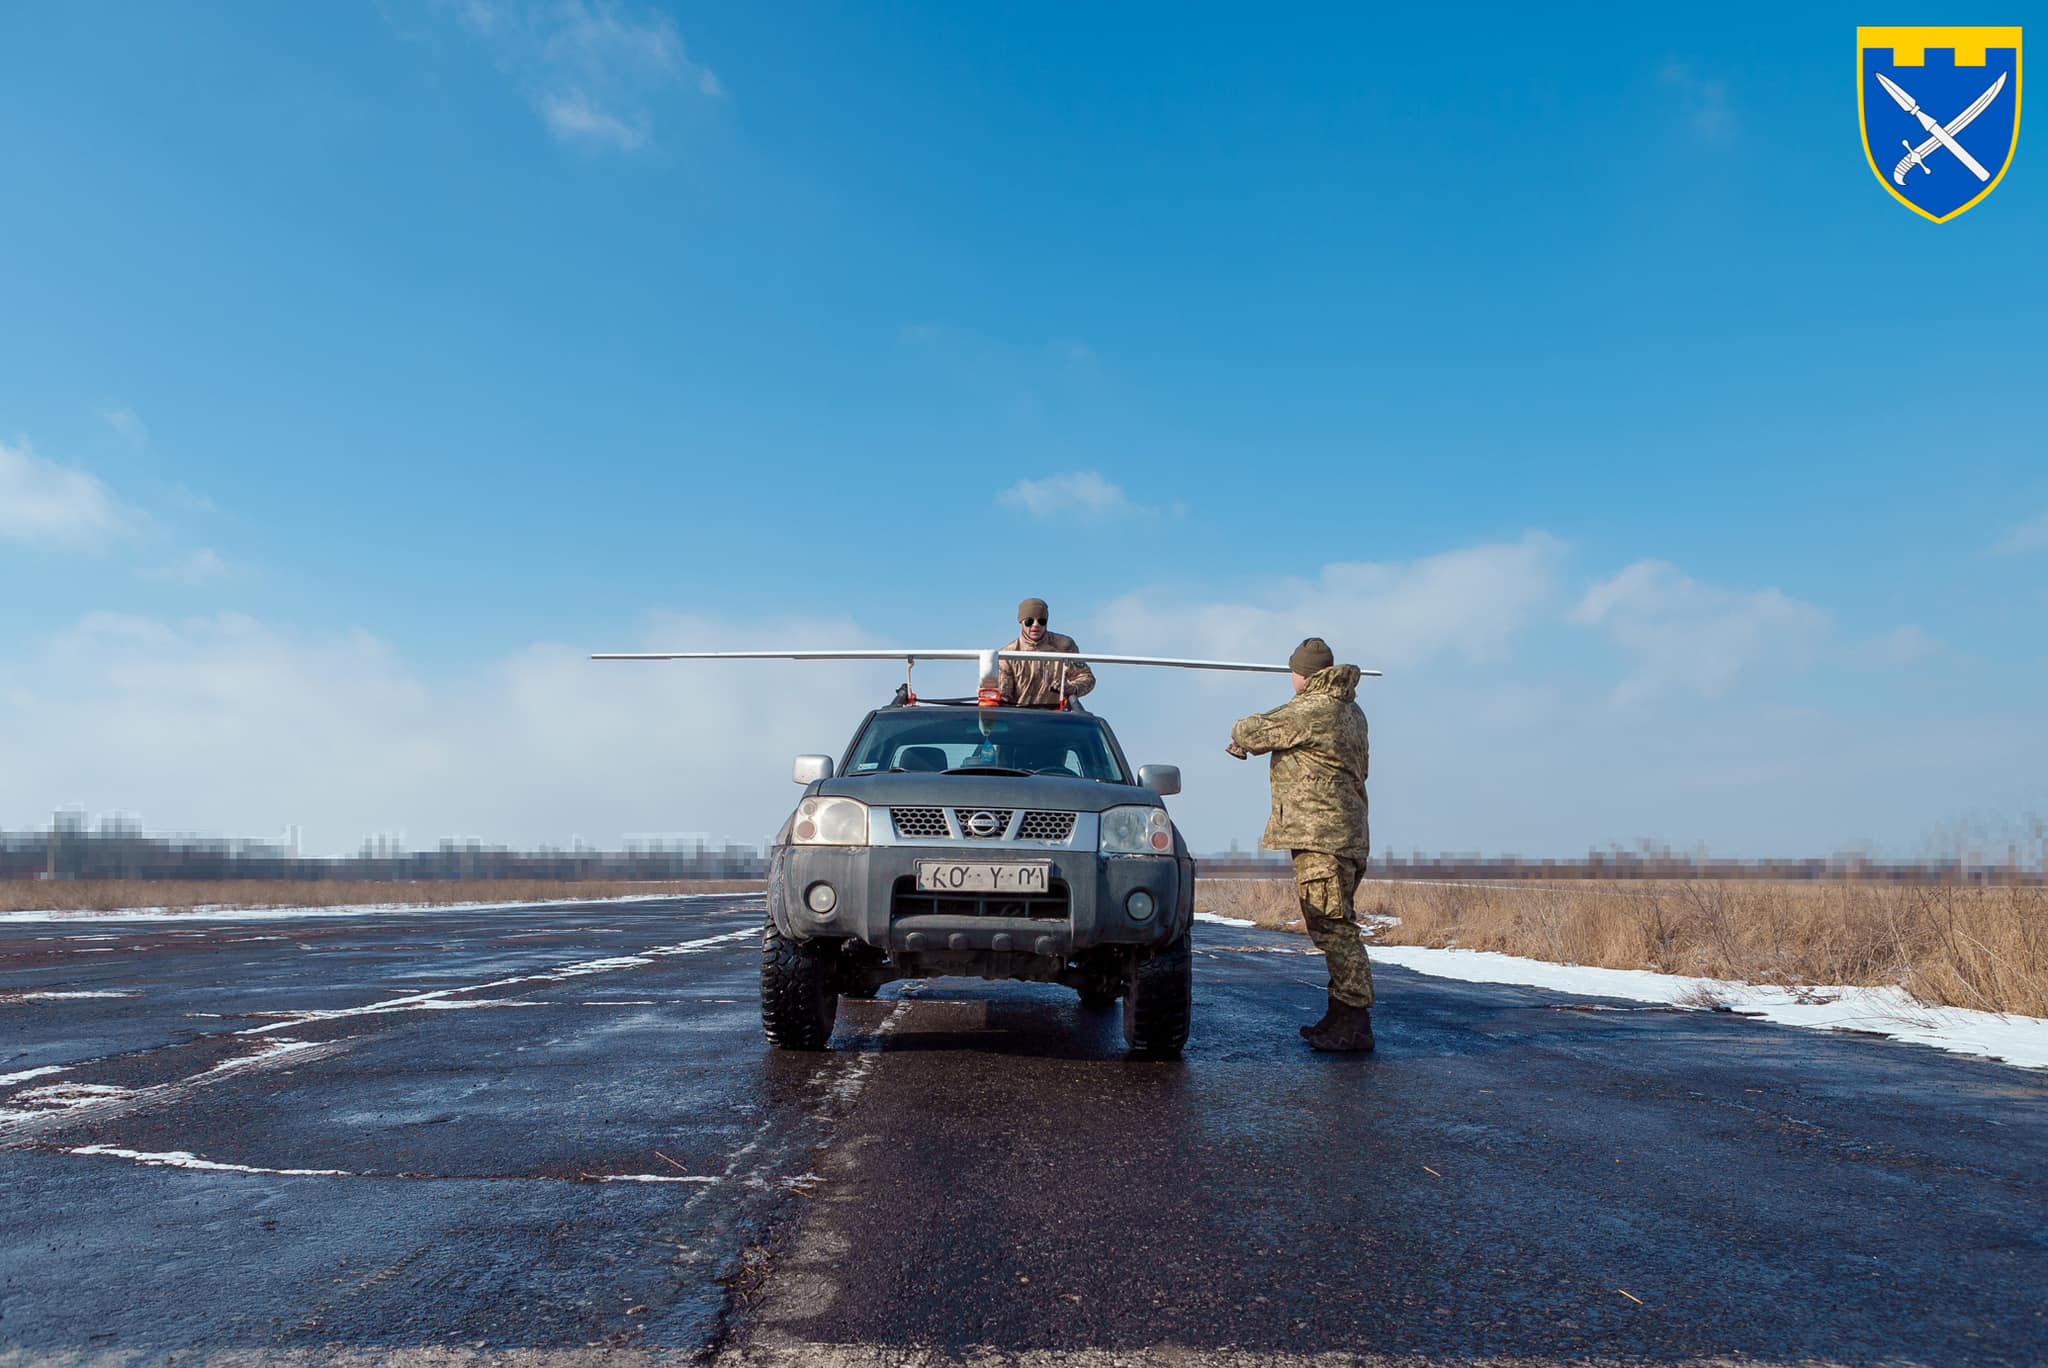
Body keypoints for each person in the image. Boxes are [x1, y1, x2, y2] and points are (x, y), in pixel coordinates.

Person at [1226, 636, 1375, 1052]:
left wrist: (1240, 735)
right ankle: (1340, 1016)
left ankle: (1354, 1023)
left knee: (1332, 926)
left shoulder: (1313, 709)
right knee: (1336, 922)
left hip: (1321, 836)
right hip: (1347, 834)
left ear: (1303, 674)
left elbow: (1252, 731)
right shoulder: (1351, 710)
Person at [998, 597, 1096, 707]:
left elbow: (1087, 677)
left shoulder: (1064, 646)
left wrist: (1073, 688)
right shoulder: (1007, 655)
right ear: (1021, 622)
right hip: (1021, 716)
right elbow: (1003, 696)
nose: (1036, 625)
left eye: (1041, 621)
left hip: (1059, 717)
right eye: (1029, 621)